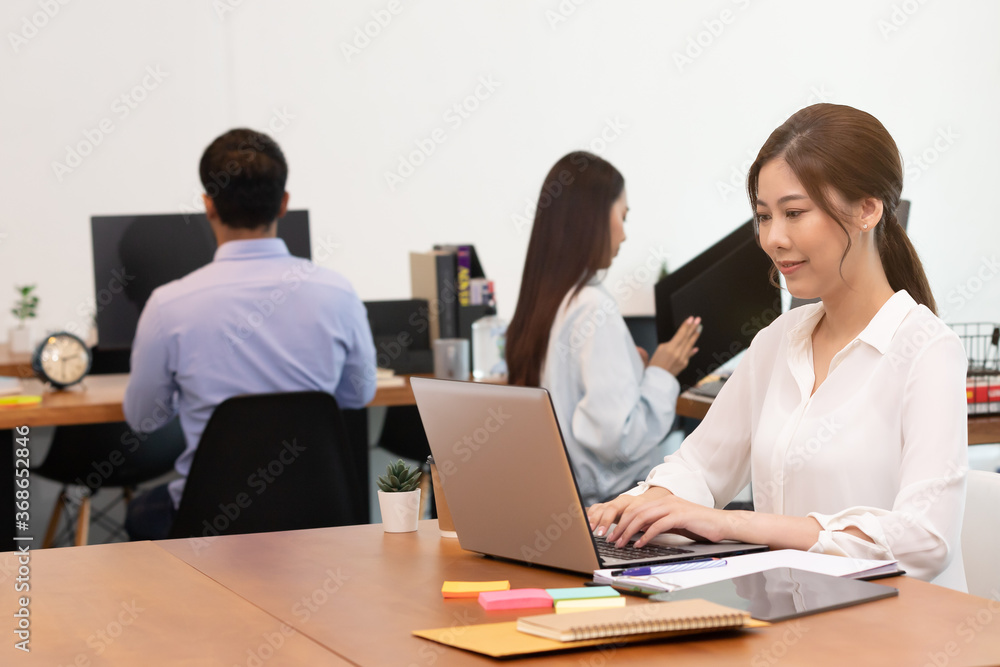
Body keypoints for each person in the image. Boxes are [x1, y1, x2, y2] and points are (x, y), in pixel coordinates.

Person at [588, 104, 969, 589]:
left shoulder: (928, 350)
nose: (773, 238)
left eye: (794, 213)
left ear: (868, 210)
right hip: (791, 618)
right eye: (764, 217)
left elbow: (924, 540)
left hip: (893, 625)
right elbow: (700, 467)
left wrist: (736, 524)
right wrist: (645, 504)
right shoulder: (776, 341)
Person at [123, 128, 377, 540]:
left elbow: (142, 418)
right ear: (284, 203)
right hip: (318, 519)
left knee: (142, 512)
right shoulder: (338, 293)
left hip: (210, 524)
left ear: (209, 205)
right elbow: (358, 395)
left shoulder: (169, 305)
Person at [506, 152, 702, 506]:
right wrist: (661, 373)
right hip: (612, 507)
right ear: (593, 217)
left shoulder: (548, 302)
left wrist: (633, 374)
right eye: (622, 217)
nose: (624, 234)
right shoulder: (593, 306)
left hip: (567, 502)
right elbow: (620, 440)